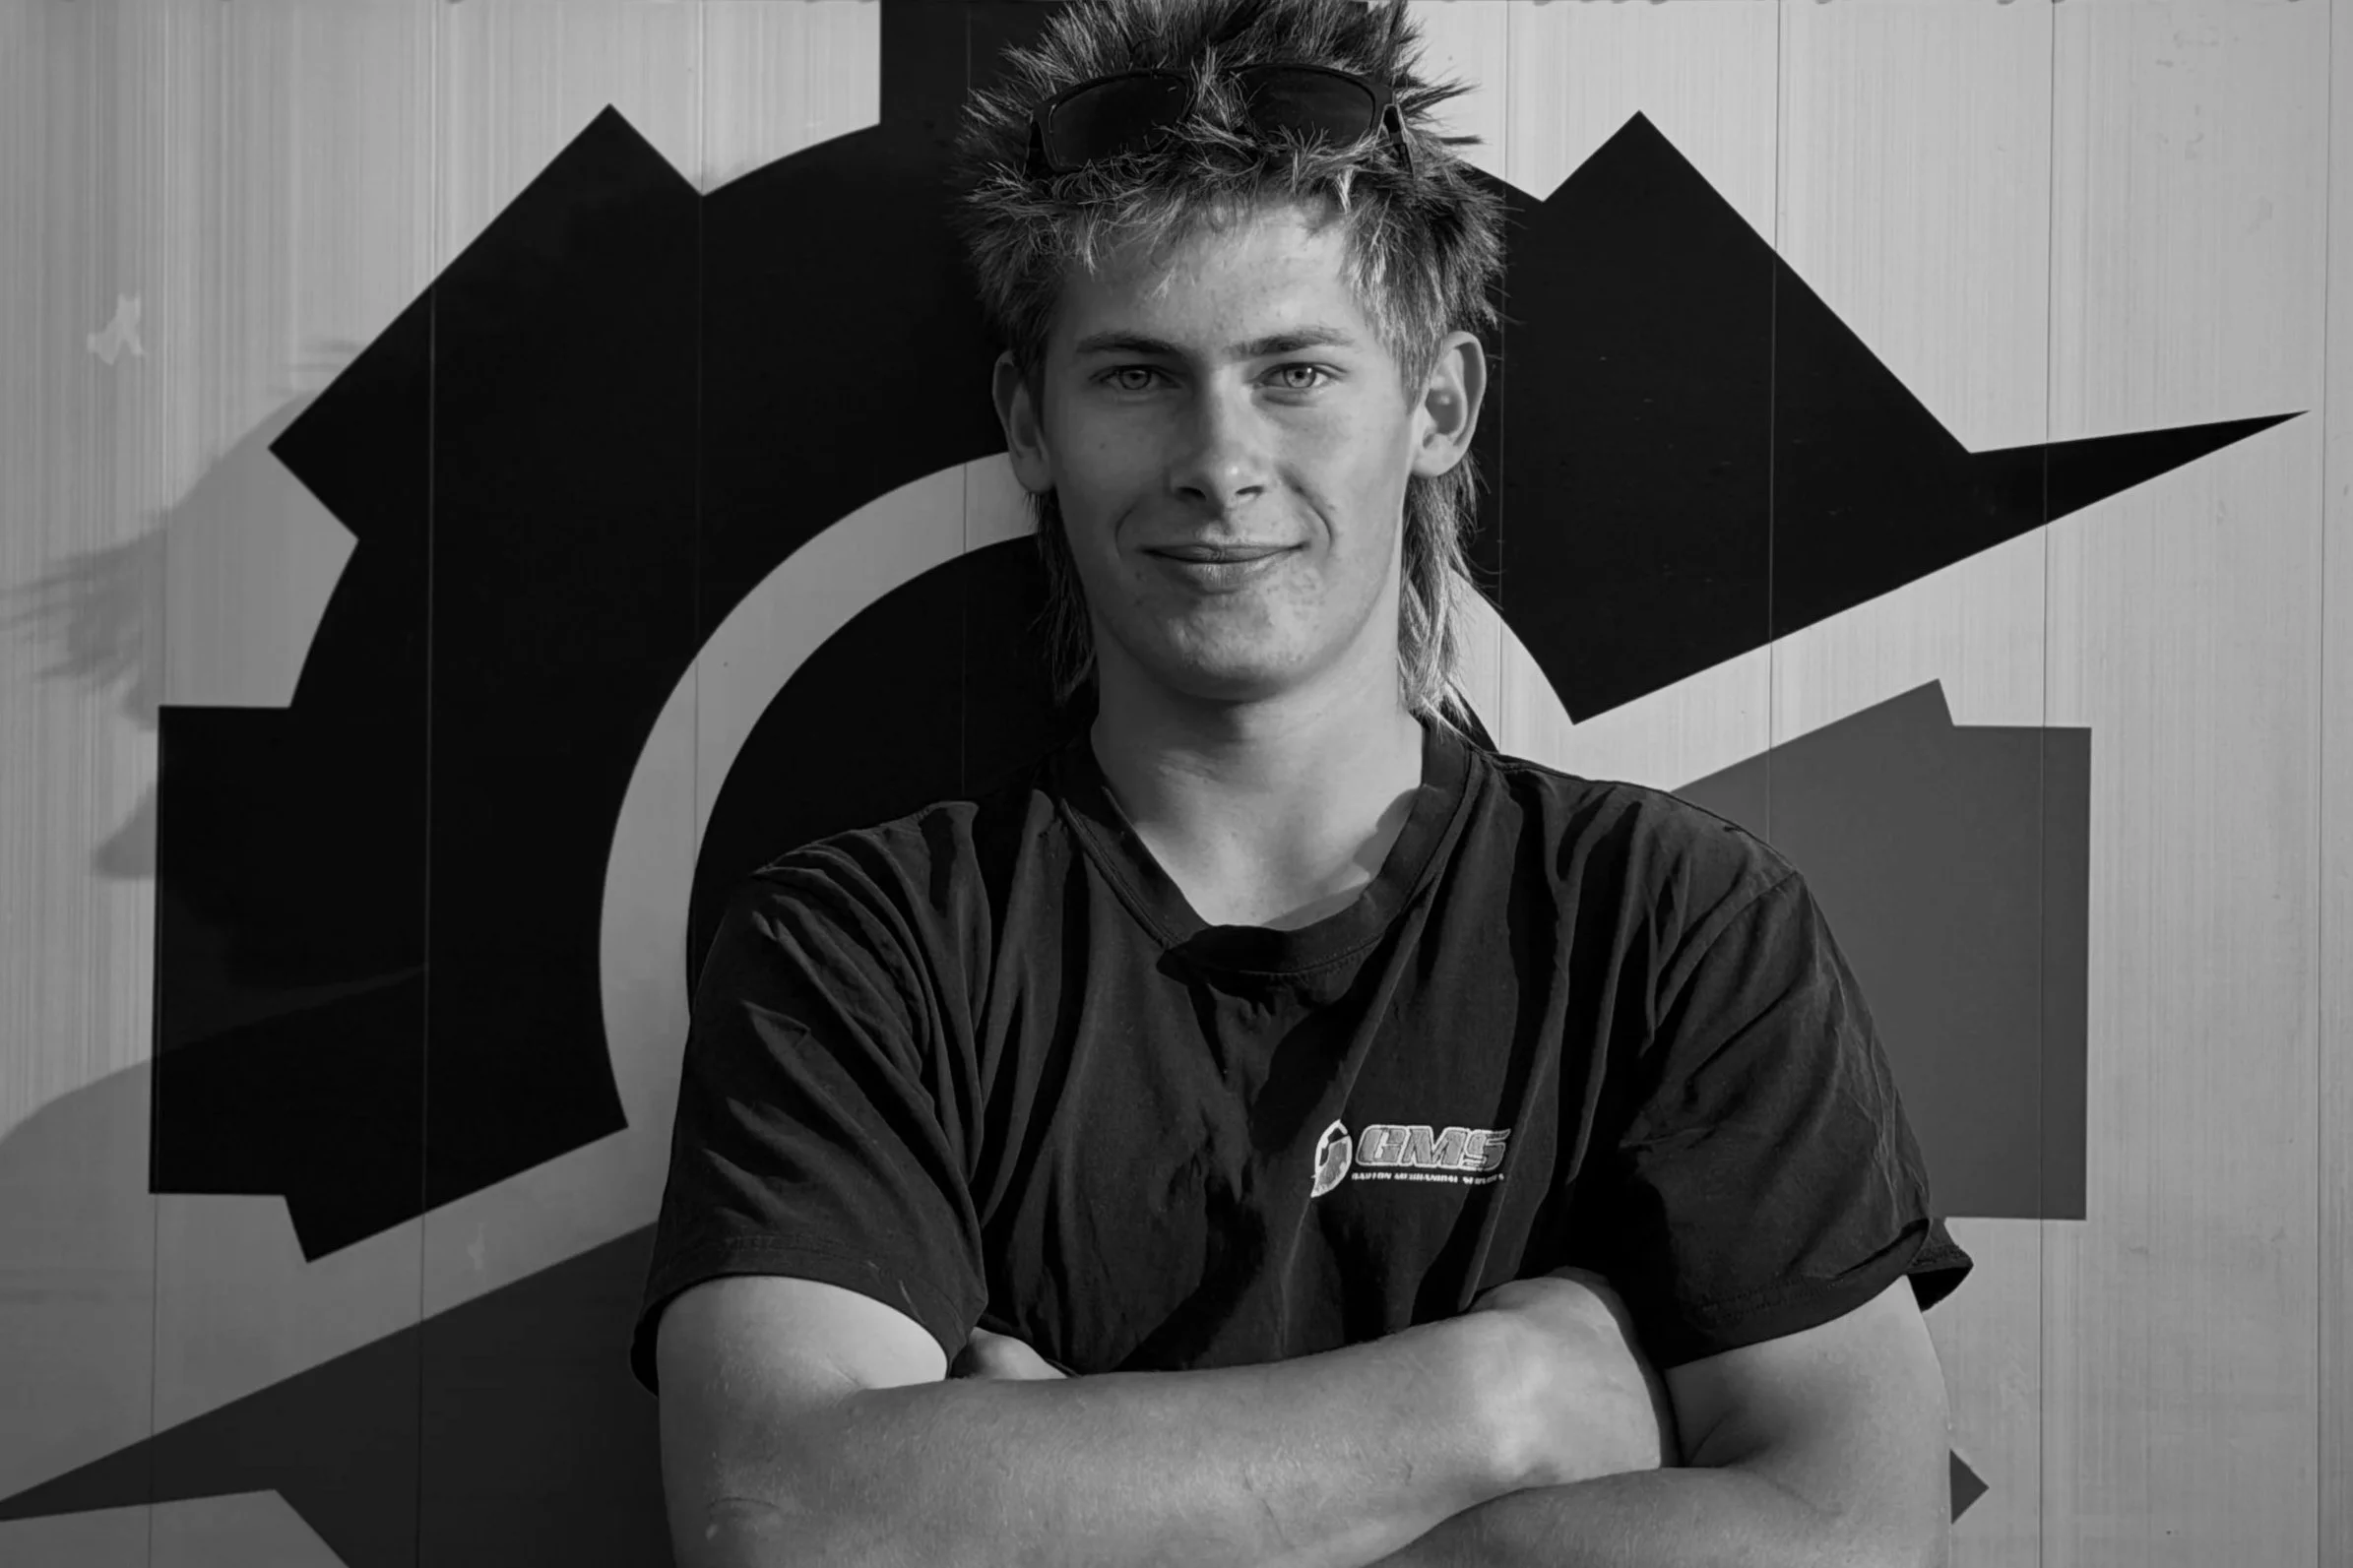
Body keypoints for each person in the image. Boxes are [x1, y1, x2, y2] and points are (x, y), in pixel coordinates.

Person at [633, 1, 1975, 1564]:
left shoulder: (1671, 923)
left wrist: (1045, 1495)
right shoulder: (860, 948)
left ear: (1437, 407)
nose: (1220, 458)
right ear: (1028, 424)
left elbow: (1851, 1531)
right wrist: (1495, 1409)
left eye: (1295, 372)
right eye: (1136, 375)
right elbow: (785, 1521)